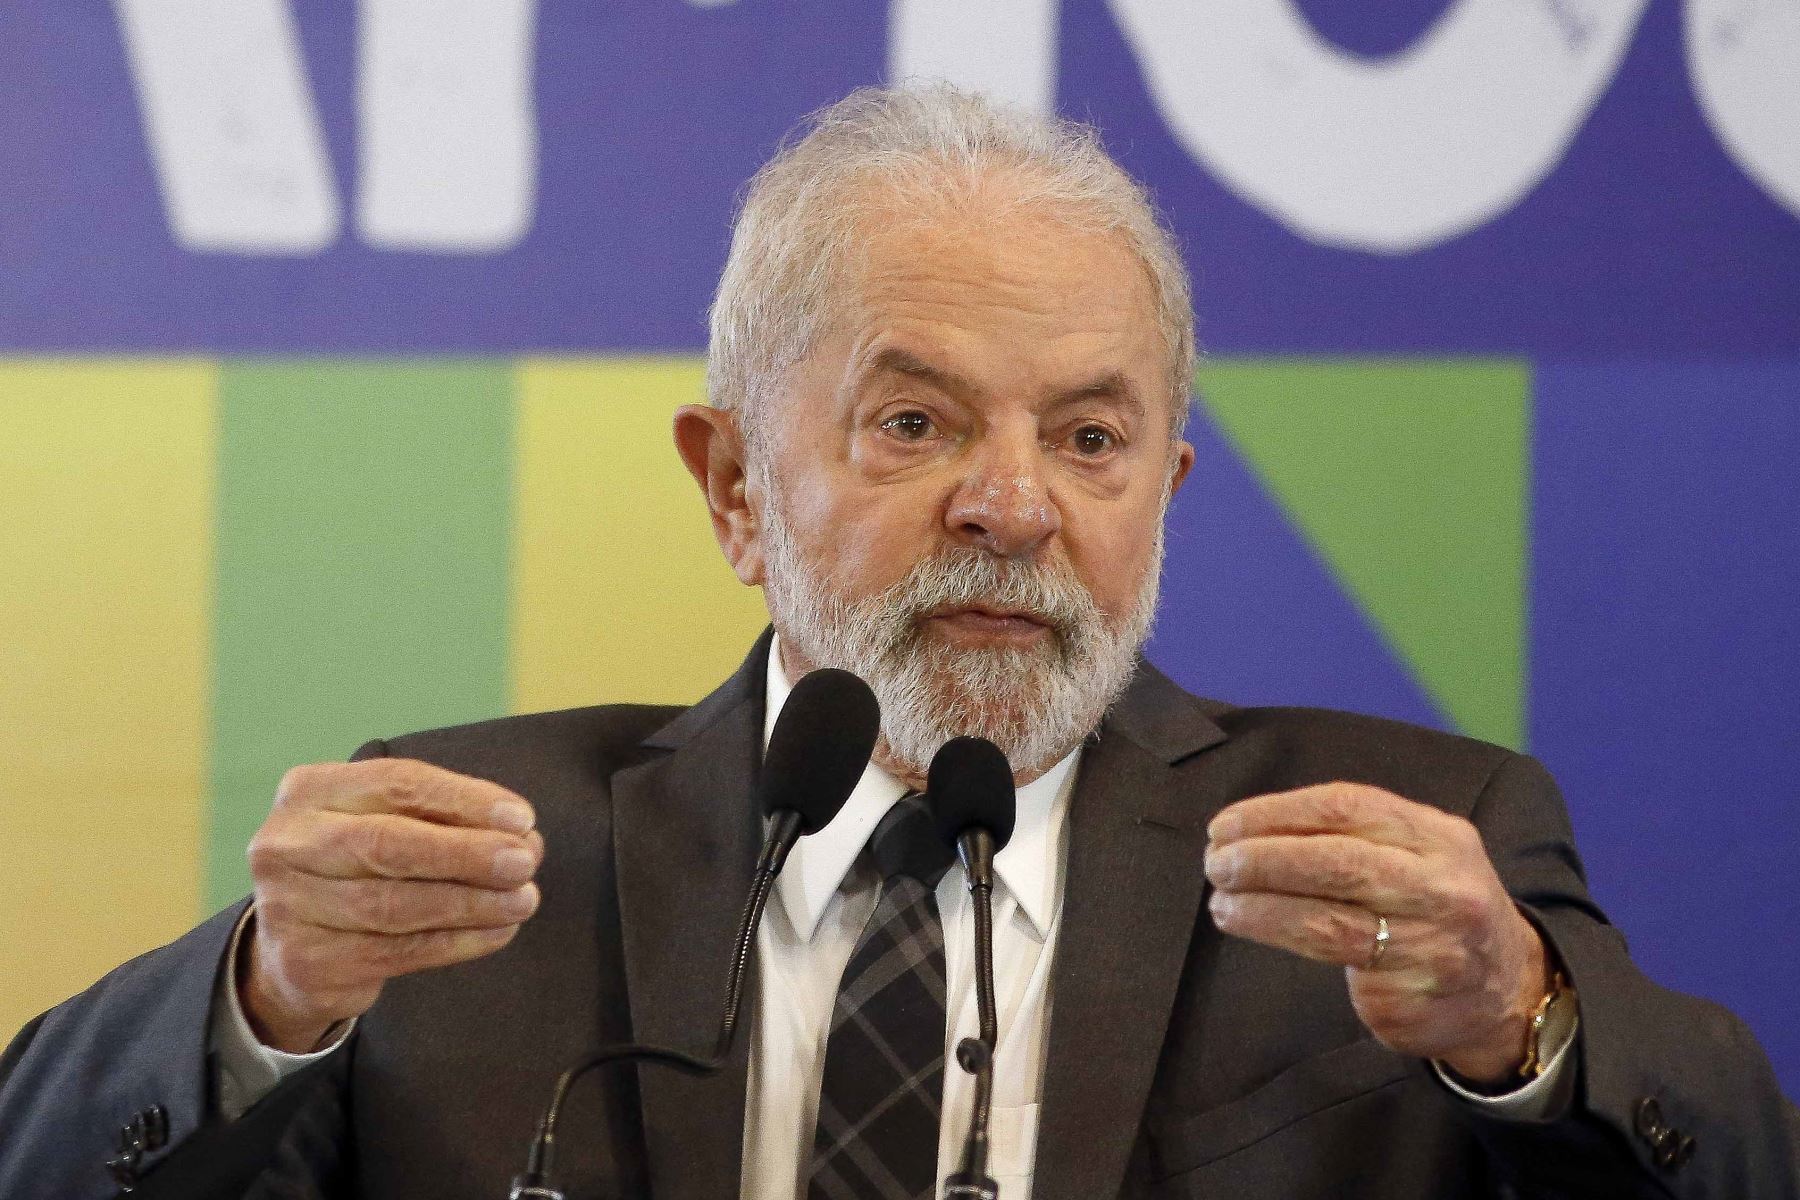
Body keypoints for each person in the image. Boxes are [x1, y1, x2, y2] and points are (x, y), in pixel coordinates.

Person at [1, 84, 1795, 1200]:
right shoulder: (475, 860)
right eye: (917, 422)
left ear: (1165, 489)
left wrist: (1522, 1024)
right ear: (733, 487)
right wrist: (267, 997)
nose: (1014, 506)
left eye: (1090, 439)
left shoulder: (1406, 848)